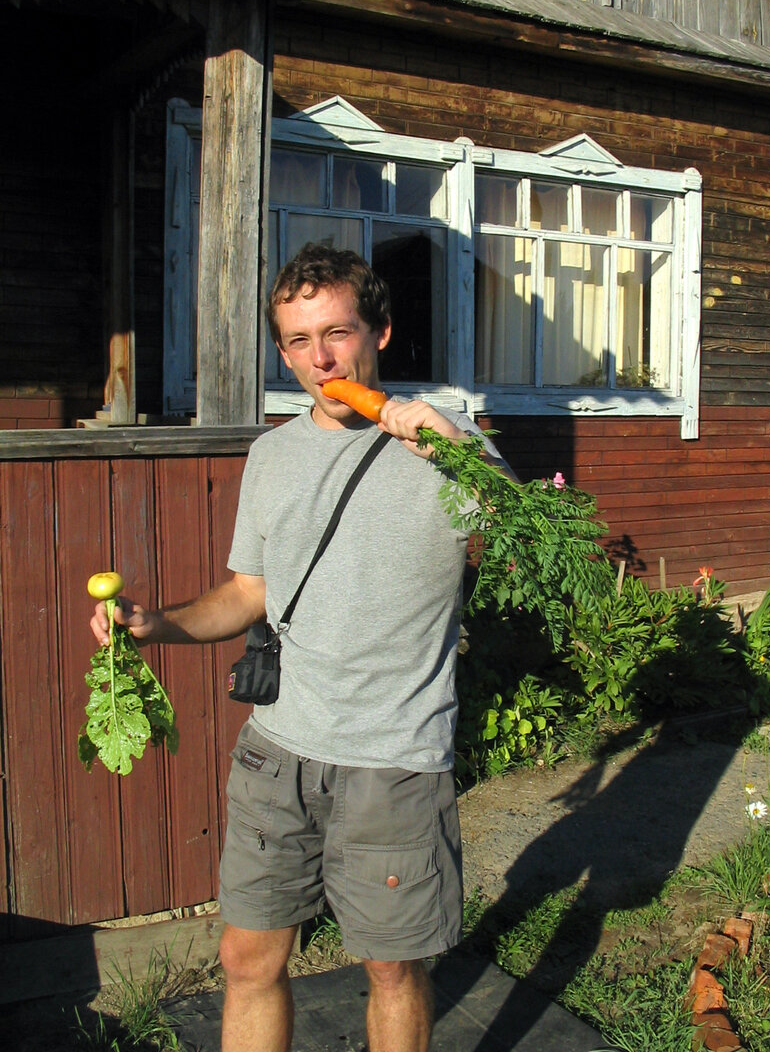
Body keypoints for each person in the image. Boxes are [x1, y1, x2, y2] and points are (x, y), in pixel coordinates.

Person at [90, 244, 506, 1052]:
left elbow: (532, 559)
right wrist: (158, 624)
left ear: (378, 332)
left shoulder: (447, 445)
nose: (321, 359)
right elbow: (251, 591)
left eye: (339, 332)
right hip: (277, 754)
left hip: (393, 757)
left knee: (391, 969)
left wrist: (462, 455)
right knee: (246, 957)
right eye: (298, 341)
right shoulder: (271, 456)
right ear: (282, 351)